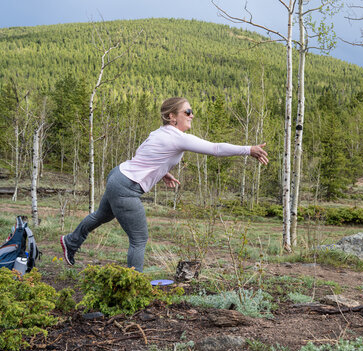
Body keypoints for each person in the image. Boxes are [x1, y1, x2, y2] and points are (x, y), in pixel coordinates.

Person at [60, 97, 268, 272]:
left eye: (191, 111)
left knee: (101, 216)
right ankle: (132, 287)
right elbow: (215, 148)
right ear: (172, 116)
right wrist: (248, 150)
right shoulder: (177, 137)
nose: (191, 115)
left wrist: (163, 172)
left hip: (118, 176)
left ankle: (71, 241)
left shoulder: (159, 133)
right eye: (187, 111)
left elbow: (145, 157)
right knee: (139, 239)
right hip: (126, 188)